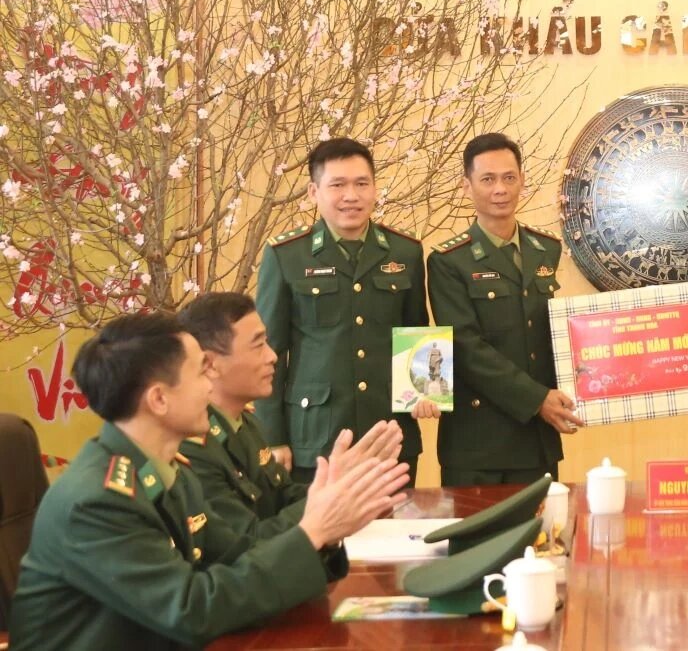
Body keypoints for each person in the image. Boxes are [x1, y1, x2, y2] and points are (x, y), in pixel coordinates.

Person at [9, 312, 408, 650]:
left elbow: (240, 553)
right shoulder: (97, 501)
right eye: (200, 372)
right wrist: (313, 529)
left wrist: (326, 526)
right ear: (159, 399)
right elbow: (191, 610)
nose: (209, 385)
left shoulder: (170, 470)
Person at [256, 137, 436, 481]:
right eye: (337, 185)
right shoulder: (286, 255)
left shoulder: (405, 251)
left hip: (389, 433)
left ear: (374, 189)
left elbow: (416, 329)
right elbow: (270, 351)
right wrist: (272, 437)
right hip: (314, 437)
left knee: (396, 517)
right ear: (314, 192)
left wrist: (426, 391)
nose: (351, 196)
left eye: (361, 184)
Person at [177, 291, 404, 539]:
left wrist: (337, 481)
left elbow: (282, 498)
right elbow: (247, 541)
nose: (272, 356)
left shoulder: (245, 422)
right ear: (210, 364)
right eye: (258, 346)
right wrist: (330, 499)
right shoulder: (192, 449)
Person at [428, 133, 581, 485]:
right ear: (467, 186)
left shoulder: (545, 249)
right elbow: (465, 347)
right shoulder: (449, 261)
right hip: (477, 444)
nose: (500, 189)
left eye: (509, 177)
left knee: (544, 522)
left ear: (522, 181)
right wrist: (537, 399)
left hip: (537, 439)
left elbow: (548, 333)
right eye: (488, 179)